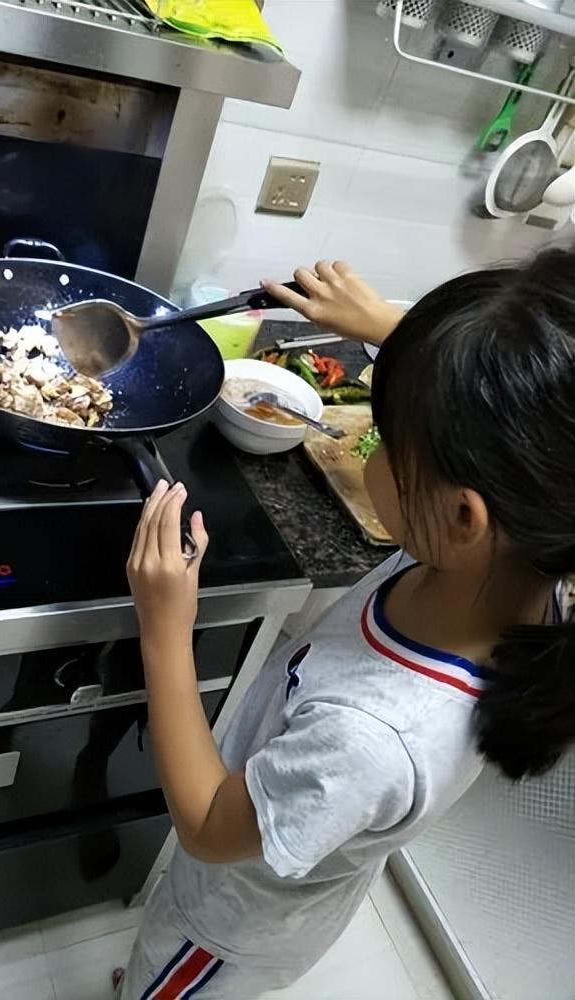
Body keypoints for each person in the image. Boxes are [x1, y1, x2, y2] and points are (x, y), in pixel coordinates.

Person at [116, 249, 575, 999]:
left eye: (386, 437)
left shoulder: (371, 740)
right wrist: (393, 328)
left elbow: (205, 823)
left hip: (224, 930)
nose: (373, 444)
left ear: (463, 515)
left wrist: (164, 626)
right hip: (275, 870)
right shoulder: (520, 557)